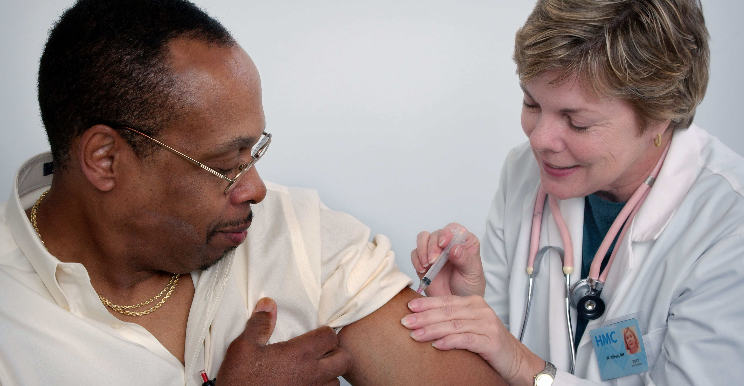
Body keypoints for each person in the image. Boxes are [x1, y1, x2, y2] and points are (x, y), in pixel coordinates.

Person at [0, 0, 504, 385]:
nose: (257, 189)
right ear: (106, 159)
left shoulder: (298, 233)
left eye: (255, 152)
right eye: (224, 164)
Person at [403, 0, 744, 385]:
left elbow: (513, 360)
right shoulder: (523, 173)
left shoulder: (729, 229)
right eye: (531, 103)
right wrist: (468, 308)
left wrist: (525, 368)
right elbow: (491, 356)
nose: (540, 140)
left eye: (577, 122)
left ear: (660, 115)